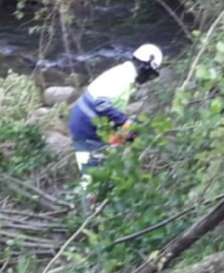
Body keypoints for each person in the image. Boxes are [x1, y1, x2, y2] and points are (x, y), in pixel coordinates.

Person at [69, 44, 163, 182]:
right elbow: (101, 104)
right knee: (93, 178)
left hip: (84, 125)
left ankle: (92, 197)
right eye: (151, 74)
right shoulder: (123, 77)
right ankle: (91, 200)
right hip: (87, 130)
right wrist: (125, 122)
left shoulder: (124, 73)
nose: (149, 78)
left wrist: (123, 131)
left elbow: (111, 111)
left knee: (93, 173)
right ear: (145, 67)